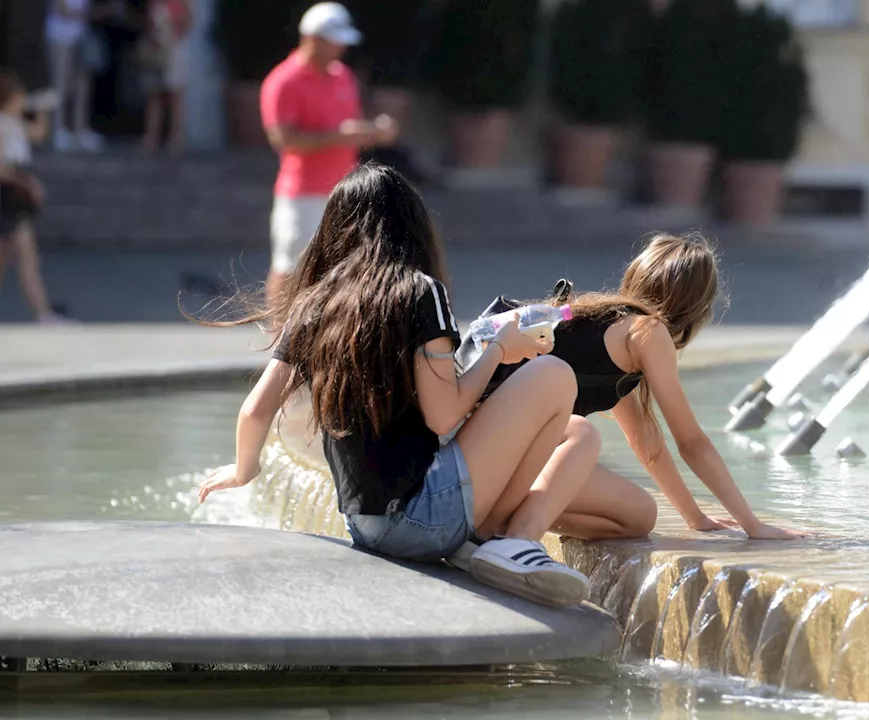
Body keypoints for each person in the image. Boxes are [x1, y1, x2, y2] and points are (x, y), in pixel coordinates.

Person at [193, 163, 600, 608]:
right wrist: (498, 350)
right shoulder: (420, 291)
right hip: (424, 519)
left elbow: (255, 409)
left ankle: (489, 541)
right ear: (412, 226)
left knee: (580, 433)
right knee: (554, 376)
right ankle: (506, 541)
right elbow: (444, 414)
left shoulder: (315, 302)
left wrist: (243, 469)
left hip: (364, 525)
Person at [483, 233, 806, 542]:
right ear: (697, 306)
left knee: (637, 518)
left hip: (489, 445)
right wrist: (754, 525)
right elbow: (692, 443)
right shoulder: (647, 331)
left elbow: (644, 440)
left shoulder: (609, 324)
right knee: (638, 511)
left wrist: (695, 517)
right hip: (501, 453)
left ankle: (501, 523)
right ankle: (512, 536)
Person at [260, 2, 398, 311]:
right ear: (312, 38)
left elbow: (350, 126)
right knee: (289, 266)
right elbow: (283, 139)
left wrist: (375, 131)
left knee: (340, 266)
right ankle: (278, 340)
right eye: (335, 40)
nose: (342, 47)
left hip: (344, 191)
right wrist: (341, 135)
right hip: (302, 193)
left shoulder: (342, 76)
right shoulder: (283, 80)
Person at [0, 71, 70, 323]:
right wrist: (29, 183)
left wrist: (41, 108)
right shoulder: (2, 126)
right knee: (28, 258)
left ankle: (44, 312)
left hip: (15, 197)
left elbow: (39, 133)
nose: (22, 101)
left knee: (4, 258)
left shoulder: (14, 123)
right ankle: (44, 314)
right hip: (8, 197)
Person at [44, 0, 105, 152]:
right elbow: (64, 11)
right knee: (60, 85)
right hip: (60, 38)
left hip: (80, 38)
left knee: (82, 86)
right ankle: (57, 130)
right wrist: (98, 13)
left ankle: (80, 130)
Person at [137, 0, 191, 154]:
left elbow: (188, 19)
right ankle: (151, 135)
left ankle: (176, 137)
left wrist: (173, 35)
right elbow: (147, 19)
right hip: (155, 47)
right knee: (154, 94)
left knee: (175, 94)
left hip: (174, 46)